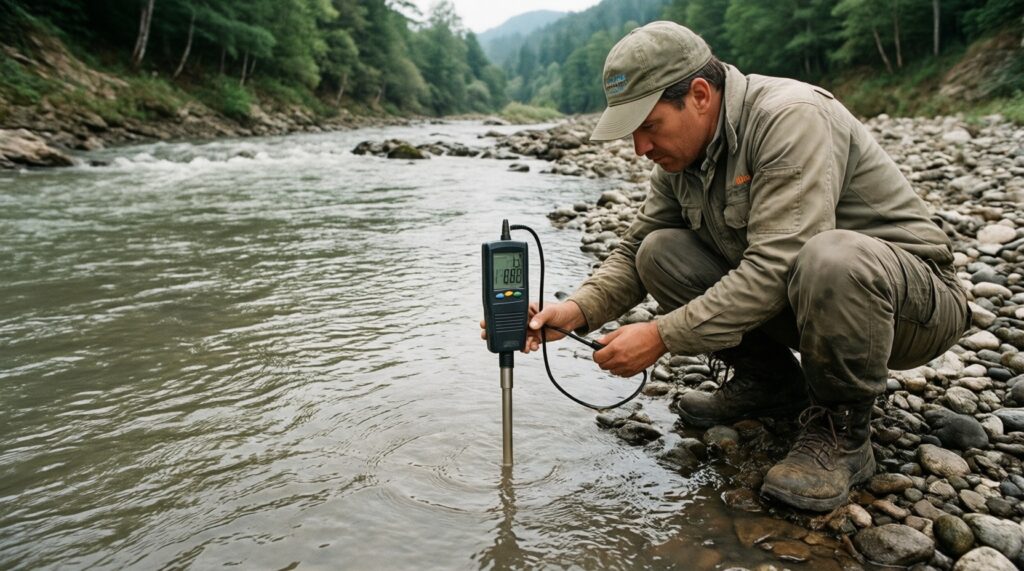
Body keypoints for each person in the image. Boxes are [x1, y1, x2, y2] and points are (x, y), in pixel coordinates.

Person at [482, 20, 969, 512]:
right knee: (659, 251)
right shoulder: (680, 159)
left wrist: (662, 336)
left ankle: (843, 430)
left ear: (698, 94)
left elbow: (778, 264)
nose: (640, 149)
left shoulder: (789, 117)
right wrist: (576, 312)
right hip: (809, 302)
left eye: (648, 127)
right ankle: (773, 385)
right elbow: (633, 251)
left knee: (830, 256)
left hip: (910, 307)